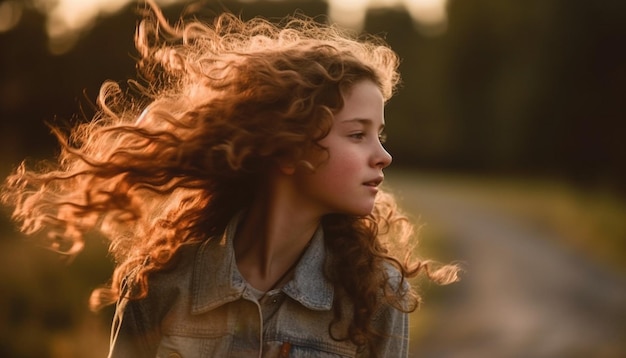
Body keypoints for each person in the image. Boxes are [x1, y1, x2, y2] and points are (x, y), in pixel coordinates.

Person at [1, 1, 459, 357]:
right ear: (289, 147)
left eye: (378, 135)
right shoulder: (158, 285)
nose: (383, 156)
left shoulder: (376, 296)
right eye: (358, 134)